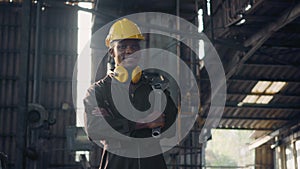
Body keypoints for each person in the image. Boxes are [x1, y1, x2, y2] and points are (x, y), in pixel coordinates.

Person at [84, 18, 178, 169]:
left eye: (134, 47)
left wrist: (114, 121)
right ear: (111, 52)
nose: (129, 51)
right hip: (117, 163)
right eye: (122, 46)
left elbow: (171, 128)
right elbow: (95, 129)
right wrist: (145, 123)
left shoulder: (156, 88)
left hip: (152, 163)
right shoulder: (98, 91)